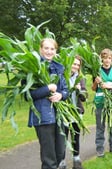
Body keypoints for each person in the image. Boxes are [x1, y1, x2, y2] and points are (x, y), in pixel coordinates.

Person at [26, 38, 69, 169]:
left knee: (60, 153)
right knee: (49, 158)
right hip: (43, 117)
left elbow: (65, 90)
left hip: (60, 116)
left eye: (52, 49)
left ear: (55, 51)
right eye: (46, 48)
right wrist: (47, 89)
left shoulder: (59, 68)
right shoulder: (32, 68)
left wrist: (61, 95)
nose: (49, 51)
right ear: (40, 49)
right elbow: (27, 95)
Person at [92, 48, 112, 157]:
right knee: (100, 126)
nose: (107, 60)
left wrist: (108, 85)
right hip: (100, 103)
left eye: (109, 58)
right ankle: (100, 148)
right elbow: (93, 88)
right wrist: (96, 82)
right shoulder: (97, 71)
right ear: (102, 59)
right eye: (105, 58)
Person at [60, 55, 87, 169]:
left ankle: (76, 159)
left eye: (77, 65)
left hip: (77, 112)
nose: (75, 66)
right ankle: (62, 161)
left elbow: (84, 97)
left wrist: (79, 90)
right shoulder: (61, 76)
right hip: (64, 112)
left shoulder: (80, 78)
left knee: (75, 136)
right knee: (63, 137)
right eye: (74, 63)